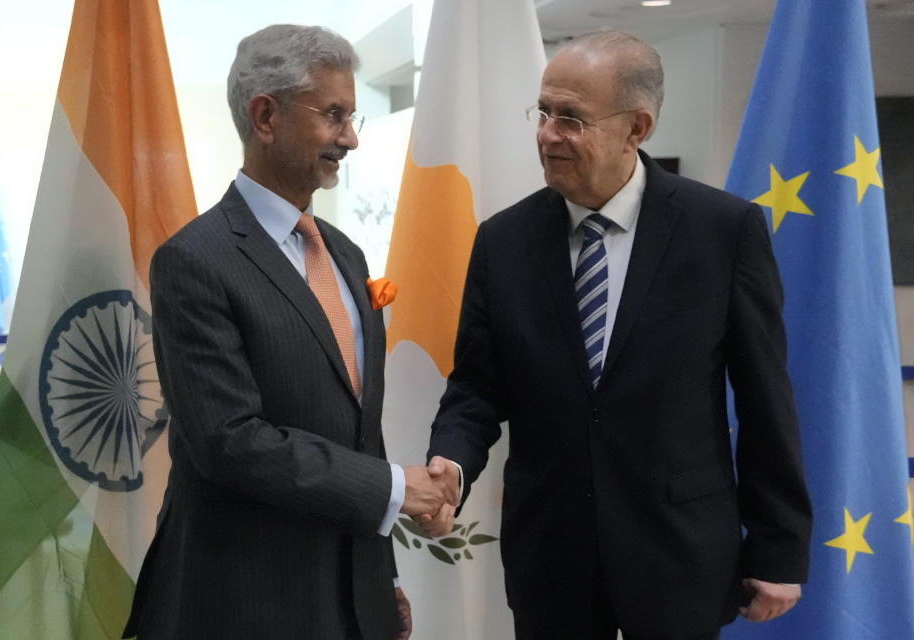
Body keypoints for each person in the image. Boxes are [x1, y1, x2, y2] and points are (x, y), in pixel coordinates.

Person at [419, 30, 812, 640]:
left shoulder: (723, 231)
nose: (548, 134)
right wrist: (452, 461)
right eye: (544, 112)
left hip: (680, 553)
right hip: (552, 556)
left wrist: (778, 549)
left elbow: (766, 400)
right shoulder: (504, 242)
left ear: (637, 128)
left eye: (571, 119)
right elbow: (476, 385)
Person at [123, 24, 457, 640]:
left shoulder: (348, 256)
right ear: (266, 116)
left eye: (352, 116)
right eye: (334, 115)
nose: (350, 138)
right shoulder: (194, 261)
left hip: (351, 597)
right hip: (245, 599)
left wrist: (379, 579)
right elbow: (228, 441)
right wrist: (392, 488)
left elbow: (360, 432)